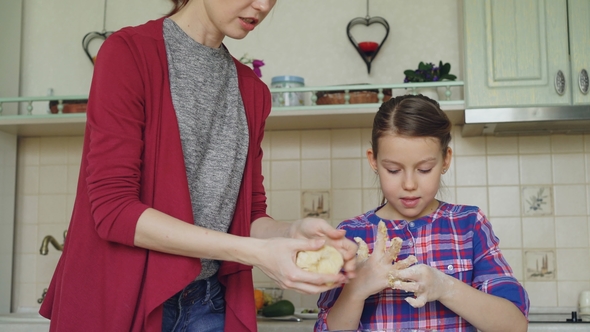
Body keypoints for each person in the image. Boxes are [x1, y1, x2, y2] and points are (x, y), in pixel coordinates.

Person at [39, 1, 358, 331]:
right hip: (124, 299)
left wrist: (290, 233)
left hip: (209, 304)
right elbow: (113, 210)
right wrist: (257, 252)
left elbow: (247, 215)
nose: (263, 5)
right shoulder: (127, 54)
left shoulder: (252, 91)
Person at [315, 95, 529, 332]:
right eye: (393, 170)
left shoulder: (469, 225)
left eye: (424, 169)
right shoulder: (351, 235)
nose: (409, 184)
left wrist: (446, 287)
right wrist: (356, 289)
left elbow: (515, 325)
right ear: (373, 161)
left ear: (445, 159)